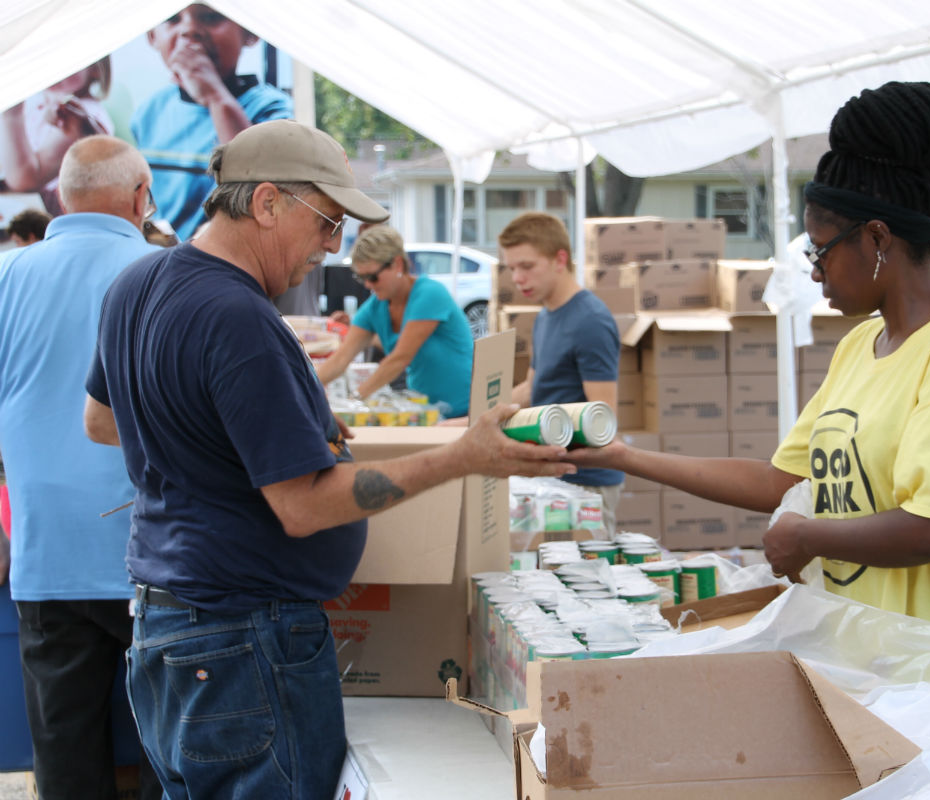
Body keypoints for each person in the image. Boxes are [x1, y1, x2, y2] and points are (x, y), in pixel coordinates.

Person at [567, 82, 930, 721]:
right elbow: (778, 480)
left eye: (820, 249)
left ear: (876, 240)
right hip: (914, 678)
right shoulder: (861, 346)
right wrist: (621, 455)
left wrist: (808, 536)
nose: (814, 270)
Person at [82, 119, 573, 798]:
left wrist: (255, 435)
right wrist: (463, 456)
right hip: (240, 634)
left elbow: (103, 420)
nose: (331, 247)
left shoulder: (136, 285)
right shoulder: (238, 315)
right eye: (327, 222)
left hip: (169, 624)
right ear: (267, 203)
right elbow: (306, 506)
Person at [0, 136, 161, 800]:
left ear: (60, 198)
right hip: (154, 551)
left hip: (47, 552)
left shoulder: (9, 276)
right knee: (168, 743)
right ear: (139, 199)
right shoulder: (164, 272)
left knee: (65, 757)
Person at [503, 211, 624, 536]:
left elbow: (603, 419)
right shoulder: (545, 316)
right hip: (551, 478)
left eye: (526, 266)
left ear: (560, 259)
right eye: (511, 268)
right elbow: (531, 388)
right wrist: (479, 413)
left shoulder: (590, 320)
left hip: (585, 485)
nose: (517, 278)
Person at [132, 4, 292, 240]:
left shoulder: (271, 109)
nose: (190, 30)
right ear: (152, 35)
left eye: (211, 17)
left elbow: (257, 182)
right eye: (172, 19)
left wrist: (215, 98)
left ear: (250, 32)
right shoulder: (150, 111)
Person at [316, 225, 474, 416]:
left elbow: (399, 359)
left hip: (464, 409)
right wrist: (302, 389)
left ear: (398, 264)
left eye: (373, 277)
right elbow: (341, 359)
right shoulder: (376, 307)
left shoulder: (430, 294)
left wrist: (354, 401)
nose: (368, 284)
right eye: (361, 277)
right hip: (425, 409)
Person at [0, 57, 113, 216]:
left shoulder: (83, 116)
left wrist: (11, 115)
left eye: (68, 58)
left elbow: (24, 180)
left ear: (95, 67)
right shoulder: (38, 105)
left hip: (57, 223)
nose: (53, 68)